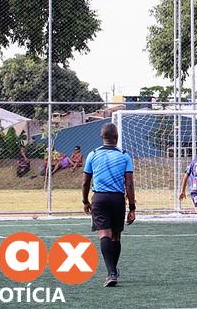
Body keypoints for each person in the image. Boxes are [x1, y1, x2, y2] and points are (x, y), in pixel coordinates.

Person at [82, 123, 135, 287]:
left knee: (104, 234)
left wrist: (85, 201)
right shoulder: (125, 155)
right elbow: (130, 184)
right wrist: (132, 207)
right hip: (118, 199)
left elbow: (85, 182)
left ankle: (111, 272)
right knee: (116, 236)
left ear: (101, 138)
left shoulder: (92, 154)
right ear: (116, 138)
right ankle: (112, 271)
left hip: (99, 198)